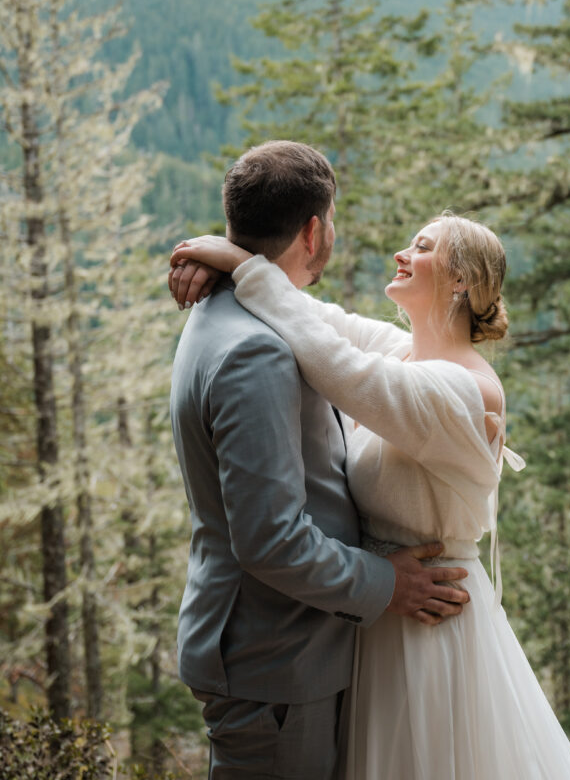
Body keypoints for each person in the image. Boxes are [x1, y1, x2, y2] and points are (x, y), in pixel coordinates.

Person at [170, 207, 570, 780]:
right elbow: (318, 319)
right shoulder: (408, 355)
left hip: (429, 622)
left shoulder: (463, 389)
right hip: (381, 617)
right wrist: (227, 258)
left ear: (462, 279)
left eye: (421, 247)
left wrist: (238, 264)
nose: (402, 253)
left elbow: (341, 367)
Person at [168, 140, 471, 780]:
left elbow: (334, 337)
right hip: (274, 661)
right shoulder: (259, 349)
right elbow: (271, 539)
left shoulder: (230, 315)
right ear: (314, 231)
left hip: (281, 652)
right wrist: (390, 583)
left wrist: (237, 263)